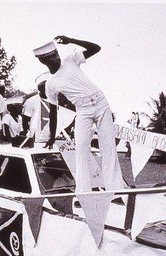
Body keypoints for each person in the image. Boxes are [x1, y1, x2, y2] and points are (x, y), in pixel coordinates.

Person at [33, 36, 123, 193]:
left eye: (56, 54)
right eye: (52, 57)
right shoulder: (50, 84)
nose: (57, 57)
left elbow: (96, 48)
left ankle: (116, 192)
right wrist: (52, 137)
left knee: (108, 148)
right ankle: (83, 193)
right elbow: (53, 111)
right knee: (80, 149)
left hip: (100, 103)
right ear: (44, 61)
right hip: (82, 110)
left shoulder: (70, 60)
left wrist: (72, 40)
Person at [22, 72, 52, 143]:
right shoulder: (31, 101)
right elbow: (25, 119)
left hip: (50, 137)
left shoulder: (53, 101)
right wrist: (27, 133)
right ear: (40, 88)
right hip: (36, 138)